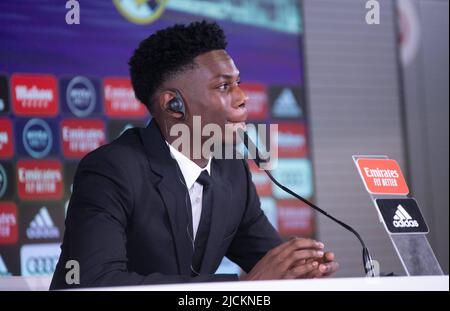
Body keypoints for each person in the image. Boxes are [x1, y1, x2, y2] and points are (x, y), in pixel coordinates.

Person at [50, 21, 338, 289]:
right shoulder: (112, 170)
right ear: (173, 104)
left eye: (238, 83)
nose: (242, 98)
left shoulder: (231, 170)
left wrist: (302, 270)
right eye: (224, 86)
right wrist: (238, 287)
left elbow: (269, 262)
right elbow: (92, 281)